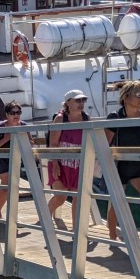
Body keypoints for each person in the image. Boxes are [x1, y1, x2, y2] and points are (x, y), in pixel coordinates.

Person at [105, 80, 140, 248]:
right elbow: (104, 144)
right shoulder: (115, 117)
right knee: (118, 202)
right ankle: (111, 236)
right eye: (138, 95)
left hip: (138, 164)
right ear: (126, 97)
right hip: (120, 165)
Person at [47, 90, 90, 230]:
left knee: (78, 196)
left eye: (83, 100)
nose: (81, 104)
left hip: (77, 163)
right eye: (77, 100)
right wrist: (55, 164)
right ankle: (45, 218)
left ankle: (77, 230)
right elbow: (53, 143)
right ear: (68, 103)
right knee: (61, 196)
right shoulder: (60, 119)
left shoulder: (86, 118)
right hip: (59, 162)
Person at [0, 101, 27, 221]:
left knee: (6, 187)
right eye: (12, 112)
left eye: (18, 112)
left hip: (14, 159)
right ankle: (13, 215)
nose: (16, 115)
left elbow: (30, 143)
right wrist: (6, 138)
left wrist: (22, 140)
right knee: (10, 182)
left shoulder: (23, 125)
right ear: (7, 114)